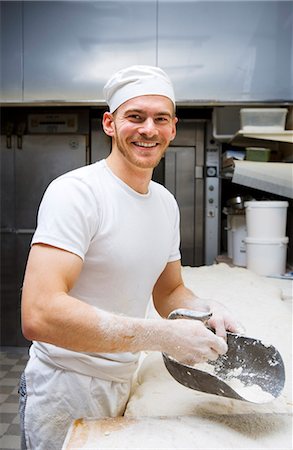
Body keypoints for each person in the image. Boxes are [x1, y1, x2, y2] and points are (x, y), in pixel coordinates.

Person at [19, 65, 240, 449]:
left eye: (160, 119)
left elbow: (169, 291)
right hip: (65, 385)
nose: (148, 130)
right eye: (134, 117)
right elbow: (39, 314)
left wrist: (205, 308)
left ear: (173, 128)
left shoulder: (165, 204)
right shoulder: (77, 193)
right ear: (109, 123)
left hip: (126, 380)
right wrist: (163, 335)